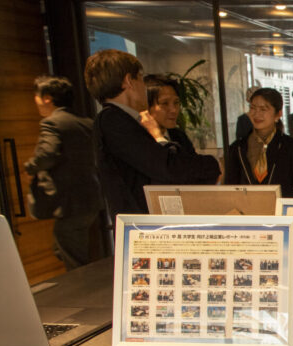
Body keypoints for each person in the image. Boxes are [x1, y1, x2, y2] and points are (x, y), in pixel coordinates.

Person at [85, 49, 245, 346]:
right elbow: (171, 169)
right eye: (141, 80)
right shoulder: (115, 122)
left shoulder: (123, 123)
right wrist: (209, 164)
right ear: (129, 81)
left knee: (182, 331)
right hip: (149, 243)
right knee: (187, 331)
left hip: (155, 241)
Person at [86, 49, 220, 221]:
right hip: (139, 226)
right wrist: (213, 164)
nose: (144, 87)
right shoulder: (112, 120)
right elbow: (166, 168)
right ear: (129, 81)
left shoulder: (122, 119)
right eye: (141, 78)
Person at [23, 76, 102, 270]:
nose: (36, 101)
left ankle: (84, 288)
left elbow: (47, 154)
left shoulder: (52, 123)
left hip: (69, 201)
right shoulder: (87, 122)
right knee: (64, 247)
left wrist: (30, 167)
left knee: (73, 257)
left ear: (47, 98)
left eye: (36, 96)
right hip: (91, 197)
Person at [224, 87, 293, 198]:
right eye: (253, 108)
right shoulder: (238, 148)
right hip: (247, 208)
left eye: (263, 109)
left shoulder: (290, 146)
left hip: (280, 208)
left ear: (278, 114)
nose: (256, 114)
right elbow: (230, 188)